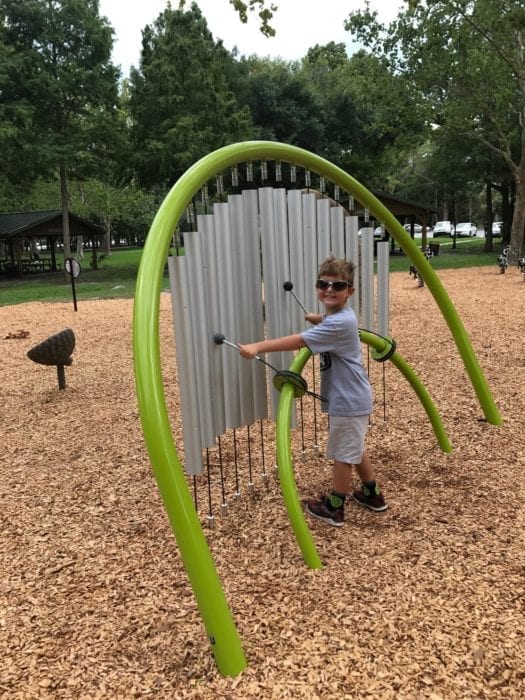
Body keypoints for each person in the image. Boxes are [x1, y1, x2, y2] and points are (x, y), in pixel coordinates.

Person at [238, 255, 388, 527]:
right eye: (323, 284)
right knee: (354, 447)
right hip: (353, 398)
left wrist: (258, 347)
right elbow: (335, 322)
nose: (329, 290)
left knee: (343, 455)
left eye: (338, 286)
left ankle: (334, 507)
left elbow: (297, 341)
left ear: (350, 291)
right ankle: (372, 495)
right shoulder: (341, 316)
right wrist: (319, 318)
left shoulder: (337, 324)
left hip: (349, 400)